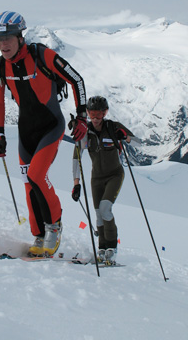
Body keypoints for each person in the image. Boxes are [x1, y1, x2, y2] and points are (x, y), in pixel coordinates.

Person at [0, 11, 87, 256]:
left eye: (8, 38)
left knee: (37, 174)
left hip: (51, 126)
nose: (3, 44)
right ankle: (39, 235)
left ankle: (54, 226)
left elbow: (77, 80)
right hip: (26, 132)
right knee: (28, 183)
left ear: (20, 36)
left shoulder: (42, 55)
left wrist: (82, 116)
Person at [71, 96, 134, 262]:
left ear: (105, 113)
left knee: (105, 208)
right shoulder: (86, 132)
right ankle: (102, 248)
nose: (96, 118)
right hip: (96, 178)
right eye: (92, 114)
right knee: (99, 214)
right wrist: (76, 183)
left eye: (99, 114)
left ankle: (112, 248)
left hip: (115, 174)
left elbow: (136, 142)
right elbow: (77, 156)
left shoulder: (113, 127)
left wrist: (125, 137)